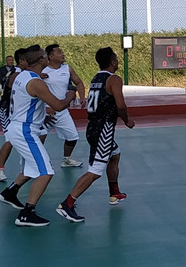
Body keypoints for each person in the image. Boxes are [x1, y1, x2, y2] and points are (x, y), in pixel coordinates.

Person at [0, 45, 76, 227]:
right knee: (46, 172)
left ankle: (10, 193)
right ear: (41, 60)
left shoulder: (22, 76)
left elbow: (27, 102)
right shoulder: (36, 82)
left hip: (19, 127)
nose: (47, 57)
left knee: (32, 167)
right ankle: (26, 213)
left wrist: (41, 116)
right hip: (25, 131)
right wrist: (70, 96)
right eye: (45, 55)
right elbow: (58, 106)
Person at [56, 47, 135, 223]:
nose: (117, 60)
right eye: (116, 58)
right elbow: (120, 105)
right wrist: (127, 120)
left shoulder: (96, 78)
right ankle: (67, 204)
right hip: (103, 131)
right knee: (95, 171)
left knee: (115, 154)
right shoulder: (114, 79)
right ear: (112, 62)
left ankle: (114, 192)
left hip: (93, 127)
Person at [42, 44, 88, 167]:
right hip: (45, 111)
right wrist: (44, 108)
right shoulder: (43, 71)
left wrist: (82, 97)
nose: (63, 54)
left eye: (62, 51)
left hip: (62, 110)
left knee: (72, 137)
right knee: (40, 137)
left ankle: (67, 159)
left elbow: (79, 83)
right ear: (50, 56)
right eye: (59, 52)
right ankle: (36, 162)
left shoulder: (67, 69)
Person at [0, 48, 28, 182]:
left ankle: (26, 168)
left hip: (20, 112)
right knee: (10, 140)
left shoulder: (27, 73)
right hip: (7, 111)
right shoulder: (14, 74)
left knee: (27, 138)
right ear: (22, 61)